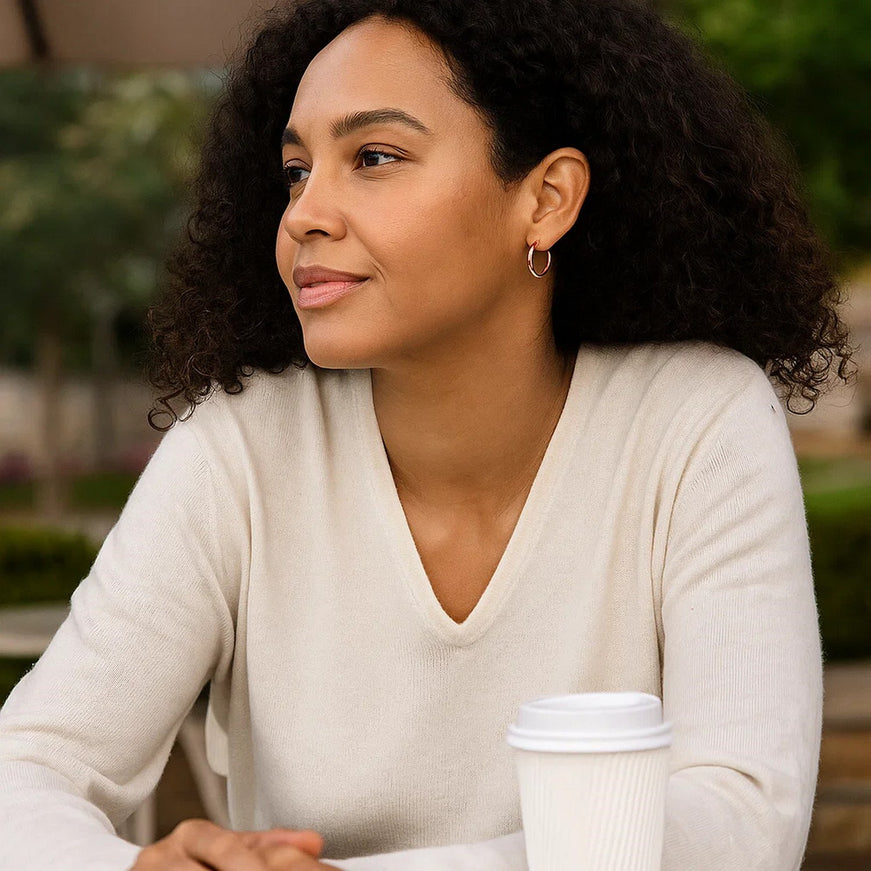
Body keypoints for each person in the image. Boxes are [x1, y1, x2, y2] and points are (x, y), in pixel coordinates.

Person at [0, 0, 853, 869]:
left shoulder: (694, 422)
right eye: (296, 170)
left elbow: (740, 818)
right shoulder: (243, 449)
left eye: (374, 157)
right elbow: (27, 766)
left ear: (546, 199)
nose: (304, 215)